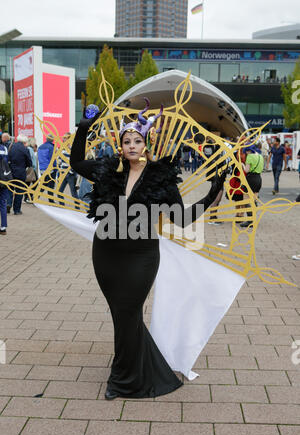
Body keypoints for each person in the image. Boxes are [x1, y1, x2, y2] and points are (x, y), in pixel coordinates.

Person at [69, 103, 226, 400]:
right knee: (121, 315)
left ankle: (121, 379)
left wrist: (210, 197)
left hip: (141, 257)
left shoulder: (160, 176)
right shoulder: (106, 170)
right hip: (106, 254)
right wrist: (84, 127)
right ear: (121, 145)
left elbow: (179, 219)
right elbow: (76, 162)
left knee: (128, 310)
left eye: (137, 141)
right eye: (126, 141)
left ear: (147, 143)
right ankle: (130, 367)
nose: (131, 146)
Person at [7, 134, 32, 215]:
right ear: (24, 142)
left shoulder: (11, 147)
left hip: (11, 171)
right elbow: (29, 162)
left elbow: (8, 158)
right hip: (21, 172)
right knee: (19, 190)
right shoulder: (25, 149)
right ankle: (16, 210)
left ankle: (8, 203)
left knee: (10, 189)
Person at [240, 145, 264, 228]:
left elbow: (246, 170)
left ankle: (250, 221)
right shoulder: (260, 156)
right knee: (254, 200)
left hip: (251, 179)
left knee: (246, 200)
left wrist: (242, 165)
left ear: (248, 151)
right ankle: (253, 219)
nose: (246, 153)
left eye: (246, 152)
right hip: (258, 179)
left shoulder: (250, 156)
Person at [58, 132, 79, 206]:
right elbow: (59, 161)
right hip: (63, 173)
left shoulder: (73, 149)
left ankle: (77, 208)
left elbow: (75, 162)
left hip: (70, 174)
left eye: (65, 138)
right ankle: (62, 207)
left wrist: (71, 172)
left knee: (73, 193)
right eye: (63, 138)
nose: (63, 139)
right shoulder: (62, 149)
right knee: (59, 191)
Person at [37, 134, 57, 203]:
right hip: (50, 169)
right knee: (51, 185)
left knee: (43, 184)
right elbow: (52, 159)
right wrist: (55, 168)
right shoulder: (52, 147)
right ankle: (51, 200)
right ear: (52, 140)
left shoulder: (40, 147)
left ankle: (36, 196)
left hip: (42, 168)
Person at [24, 137, 38, 204]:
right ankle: (29, 196)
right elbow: (31, 159)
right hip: (32, 169)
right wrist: (33, 167)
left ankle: (27, 197)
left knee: (28, 183)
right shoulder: (30, 149)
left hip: (30, 168)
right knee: (35, 184)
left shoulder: (29, 149)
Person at [0, 141, 9, 234]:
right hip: (4, 178)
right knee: (3, 204)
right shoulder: (4, 148)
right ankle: (3, 227)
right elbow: (7, 161)